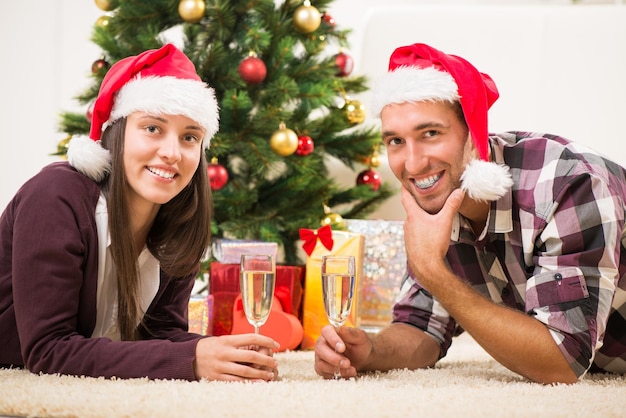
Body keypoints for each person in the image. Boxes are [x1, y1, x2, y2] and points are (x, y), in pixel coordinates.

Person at [314, 42, 626, 384]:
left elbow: (561, 362)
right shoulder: (437, 198)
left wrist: (432, 270)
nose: (413, 164)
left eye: (430, 133)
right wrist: (371, 351)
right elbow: (421, 326)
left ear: (472, 133)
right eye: (396, 142)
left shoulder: (569, 183)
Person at [0, 44, 279, 381]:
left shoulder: (180, 217)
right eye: (152, 128)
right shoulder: (54, 198)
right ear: (117, 134)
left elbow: (161, 335)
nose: (172, 153)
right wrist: (189, 360)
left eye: (190, 137)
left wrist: (220, 354)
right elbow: (47, 350)